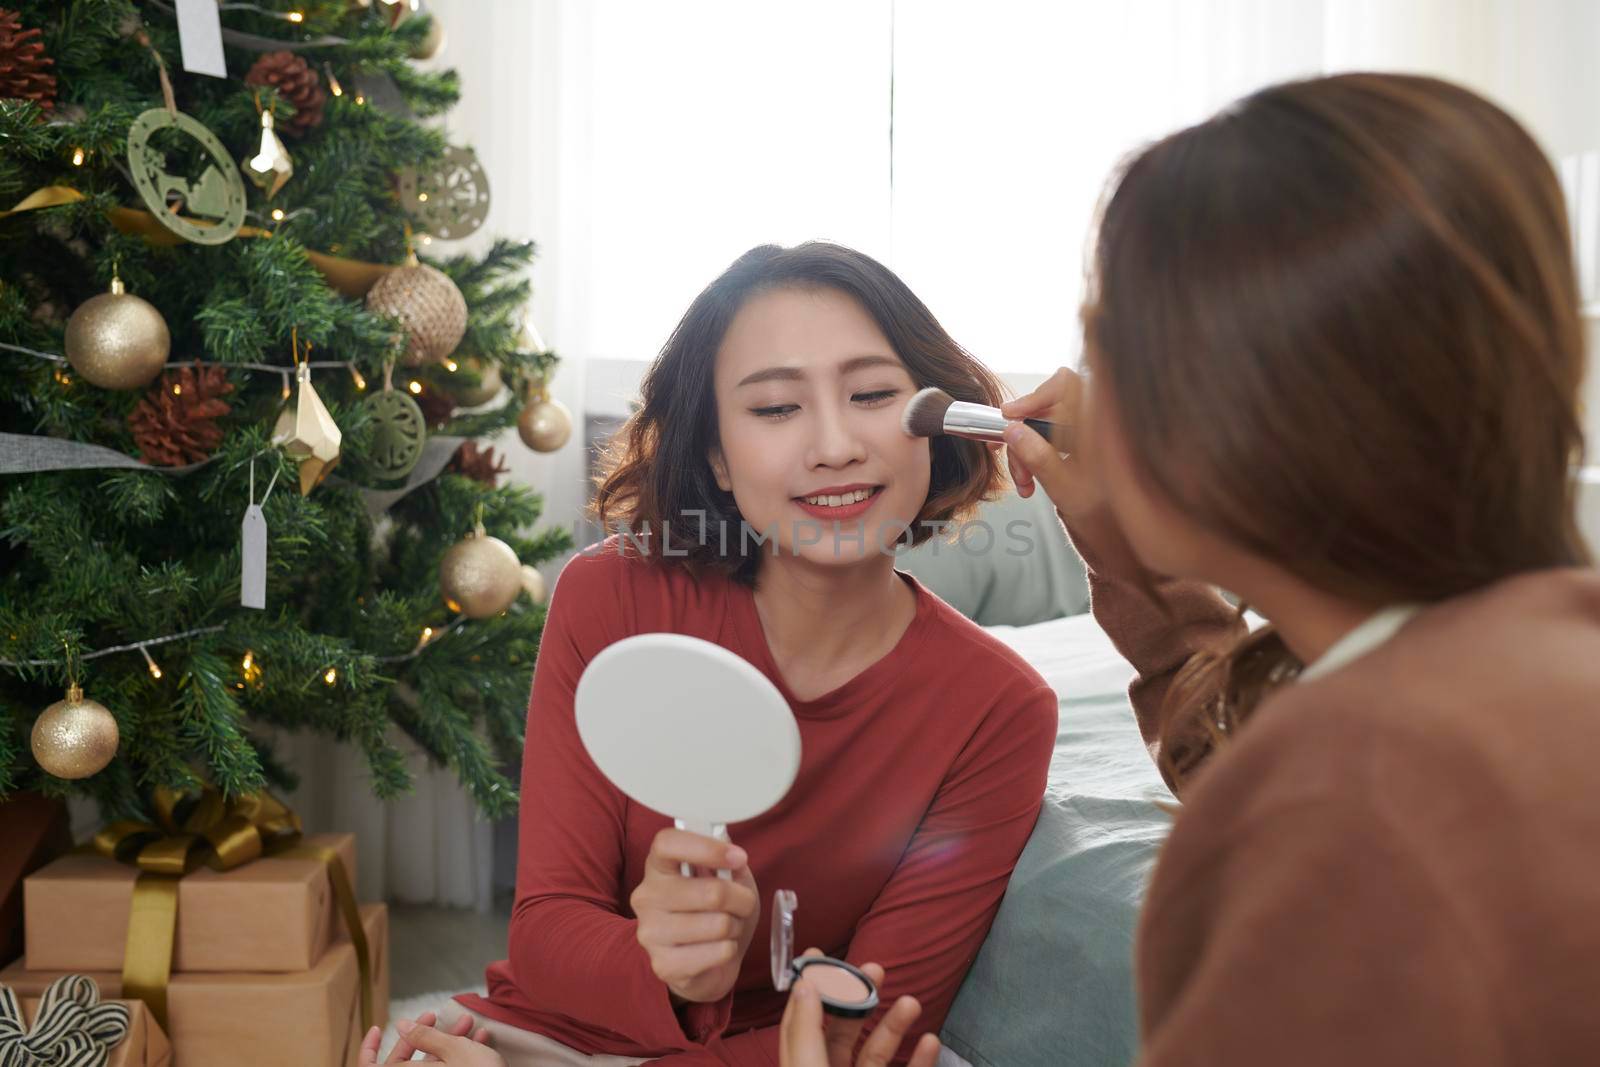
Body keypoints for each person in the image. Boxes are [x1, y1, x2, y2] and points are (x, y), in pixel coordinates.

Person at [780, 70, 1600, 1067]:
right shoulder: (1520, 656)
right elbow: (1250, 745)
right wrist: (1137, 564)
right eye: (774, 406)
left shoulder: (1349, 811)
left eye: (1104, 343)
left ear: (1218, 408)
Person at [369, 242, 1058, 1066]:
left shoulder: (1000, 708)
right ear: (717, 458)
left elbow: (863, 1031)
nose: (835, 445)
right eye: (774, 409)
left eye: (873, 394)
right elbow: (548, 926)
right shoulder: (611, 598)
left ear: (933, 424)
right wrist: (666, 969)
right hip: (549, 1034)